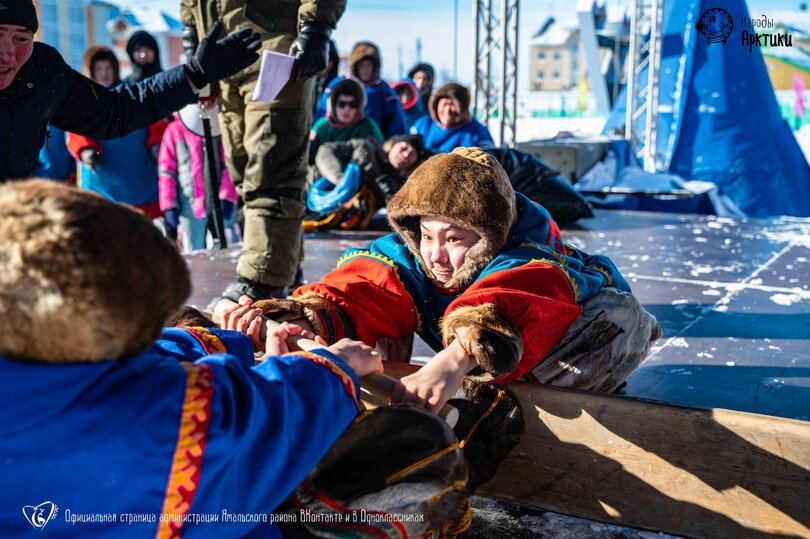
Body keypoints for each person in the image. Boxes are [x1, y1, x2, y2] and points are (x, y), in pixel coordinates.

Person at [0, 178, 382, 537]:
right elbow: (251, 420)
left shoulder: (32, 341)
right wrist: (334, 367)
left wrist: (224, 341)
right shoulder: (151, 426)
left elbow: (134, 359)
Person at [250, 147, 661, 413]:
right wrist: (304, 321)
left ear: (488, 236)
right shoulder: (420, 255)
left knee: (608, 324)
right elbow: (368, 285)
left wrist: (451, 362)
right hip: (501, 350)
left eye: (454, 239)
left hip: (585, 331)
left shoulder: (531, 259)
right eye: (427, 235)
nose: (435, 254)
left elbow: (514, 294)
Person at [181, 0, 346, 301]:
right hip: (222, 54)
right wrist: (191, 35)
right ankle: (283, 263)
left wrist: (316, 27)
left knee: (270, 164)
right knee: (243, 170)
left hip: (277, 46)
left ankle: (264, 277)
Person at [0, 0, 262, 182]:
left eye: (21, 38)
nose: (8, 53)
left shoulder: (43, 72)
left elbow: (115, 111)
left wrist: (193, 75)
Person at [66, 46, 167, 220]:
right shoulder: (84, 99)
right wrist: (86, 150)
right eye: (98, 68)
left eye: (108, 68)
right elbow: (75, 129)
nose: (104, 73)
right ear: (90, 71)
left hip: (140, 175)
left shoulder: (130, 92)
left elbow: (153, 119)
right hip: (102, 181)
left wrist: (156, 144)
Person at [159, 89, 240, 251]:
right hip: (189, 205)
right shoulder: (174, 131)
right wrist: (169, 205)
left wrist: (227, 196)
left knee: (230, 250)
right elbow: (167, 172)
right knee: (193, 252)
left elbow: (230, 164)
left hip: (219, 203)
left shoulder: (220, 127)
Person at [315, 41, 406, 139]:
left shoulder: (385, 91)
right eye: (362, 65)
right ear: (355, 66)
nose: (366, 69)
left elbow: (396, 125)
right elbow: (321, 117)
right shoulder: (337, 85)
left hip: (371, 143)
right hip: (336, 140)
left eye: (369, 65)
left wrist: (389, 147)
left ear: (376, 66)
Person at [308, 77, 384, 164]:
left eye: (352, 104)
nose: (347, 109)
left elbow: (381, 156)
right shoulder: (321, 127)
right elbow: (308, 160)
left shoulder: (368, 126)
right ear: (333, 105)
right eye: (342, 104)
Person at [410, 82, 494, 153]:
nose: (447, 110)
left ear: (463, 107)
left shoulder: (476, 131)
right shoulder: (423, 124)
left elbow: (487, 161)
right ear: (436, 105)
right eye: (444, 104)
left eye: (452, 104)